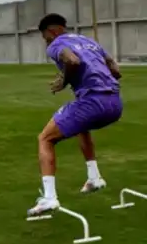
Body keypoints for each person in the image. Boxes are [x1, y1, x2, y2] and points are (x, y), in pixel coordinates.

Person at [27, 13, 123, 217]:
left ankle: (49, 198)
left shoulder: (56, 44)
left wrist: (64, 80)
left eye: (46, 37)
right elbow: (115, 69)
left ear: (52, 32)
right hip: (115, 102)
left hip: (92, 102)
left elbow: (72, 61)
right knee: (81, 125)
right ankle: (94, 177)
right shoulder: (88, 41)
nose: (47, 41)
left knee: (45, 139)